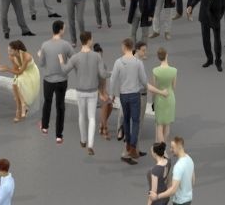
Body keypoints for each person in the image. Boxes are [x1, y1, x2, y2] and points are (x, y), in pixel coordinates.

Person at [110, 37, 166, 165]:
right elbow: (144, 82)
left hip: (124, 95)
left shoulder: (119, 62)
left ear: (124, 47)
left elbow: (113, 79)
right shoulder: (137, 63)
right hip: (137, 95)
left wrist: (112, 94)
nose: (145, 52)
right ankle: (129, 150)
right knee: (136, 123)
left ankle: (135, 148)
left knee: (130, 122)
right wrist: (159, 92)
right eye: (144, 50)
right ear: (135, 49)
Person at [58, 29, 107, 155]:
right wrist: (112, 73)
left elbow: (64, 70)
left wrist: (61, 61)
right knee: (91, 117)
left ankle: (83, 140)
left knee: (82, 115)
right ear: (89, 40)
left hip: (80, 91)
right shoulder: (97, 56)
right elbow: (102, 74)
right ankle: (90, 144)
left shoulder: (75, 57)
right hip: (92, 91)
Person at [37, 20, 73, 143]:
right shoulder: (66, 45)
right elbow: (74, 60)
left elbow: (41, 63)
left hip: (48, 80)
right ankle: (59, 135)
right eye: (64, 28)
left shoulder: (45, 45)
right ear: (61, 30)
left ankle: (45, 127)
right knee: (60, 106)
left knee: (47, 102)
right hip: (62, 80)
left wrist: (39, 54)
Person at [0, 40, 40, 122]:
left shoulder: (26, 57)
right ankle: (22, 106)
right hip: (22, 72)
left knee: (17, 83)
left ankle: (21, 109)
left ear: (17, 50)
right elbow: (15, 69)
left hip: (32, 74)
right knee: (15, 84)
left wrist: (7, 69)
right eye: (8, 50)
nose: (8, 52)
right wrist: (15, 78)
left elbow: (20, 71)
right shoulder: (11, 57)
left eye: (10, 50)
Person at [150, 136, 194, 204]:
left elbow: (173, 190)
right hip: (188, 199)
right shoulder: (189, 159)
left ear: (179, 147)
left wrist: (157, 196)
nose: (170, 150)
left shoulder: (178, 166)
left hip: (180, 201)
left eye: (172, 147)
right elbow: (193, 180)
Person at [152, 48, 177, 143]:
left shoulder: (155, 71)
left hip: (159, 99)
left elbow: (154, 88)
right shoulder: (174, 70)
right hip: (170, 98)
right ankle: (164, 147)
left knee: (159, 125)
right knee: (167, 125)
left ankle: (160, 148)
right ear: (166, 55)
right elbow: (174, 86)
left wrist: (153, 100)